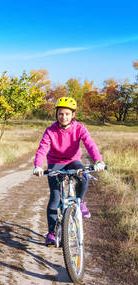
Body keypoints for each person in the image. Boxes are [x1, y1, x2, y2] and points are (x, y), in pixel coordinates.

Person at [33, 96, 106, 246]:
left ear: (73, 115)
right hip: (55, 163)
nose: (63, 117)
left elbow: (90, 144)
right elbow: (42, 149)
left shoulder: (79, 128)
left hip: (73, 161)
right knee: (55, 199)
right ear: (56, 114)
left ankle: (80, 201)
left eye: (67, 114)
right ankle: (52, 233)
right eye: (60, 113)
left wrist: (98, 160)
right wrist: (38, 165)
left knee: (83, 176)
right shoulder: (50, 131)